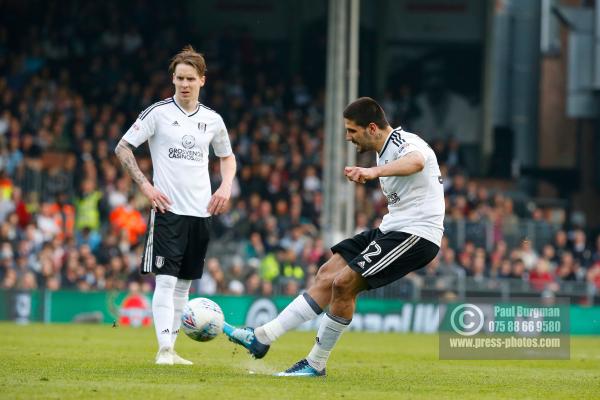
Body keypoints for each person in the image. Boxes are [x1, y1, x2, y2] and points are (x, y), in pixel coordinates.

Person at [224, 97, 444, 376]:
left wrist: (373, 171)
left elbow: (416, 162)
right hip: (392, 228)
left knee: (344, 284)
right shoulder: (383, 149)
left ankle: (315, 364)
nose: (348, 137)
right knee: (328, 274)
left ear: (372, 128)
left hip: (417, 234)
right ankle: (263, 337)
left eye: (352, 131)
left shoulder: (404, 143)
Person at [115, 45, 236, 365]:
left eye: (190, 79)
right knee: (165, 281)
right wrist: (145, 186)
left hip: (201, 212)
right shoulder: (158, 113)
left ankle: (173, 348)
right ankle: (164, 349)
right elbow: (123, 147)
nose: (184, 84)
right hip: (167, 211)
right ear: (173, 79)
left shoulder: (212, 120)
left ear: (202, 81)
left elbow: (227, 157)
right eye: (179, 78)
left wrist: (225, 185)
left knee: (184, 285)